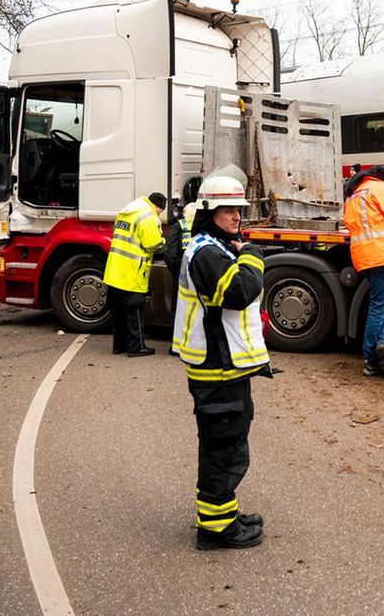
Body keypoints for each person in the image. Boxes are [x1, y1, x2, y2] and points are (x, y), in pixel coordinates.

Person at [171, 174, 270, 550]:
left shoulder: (215, 246)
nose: (236, 217)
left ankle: (223, 513)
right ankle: (215, 529)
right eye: (228, 210)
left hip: (225, 368)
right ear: (210, 211)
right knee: (223, 450)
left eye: (239, 210)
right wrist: (252, 255)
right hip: (217, 371)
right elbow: (239, 291)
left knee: (229, 445)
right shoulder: (207, 252)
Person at [343, 164, 384, 378]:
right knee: (379, 305)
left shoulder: (353, 196)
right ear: (383, 179)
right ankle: (370, 359)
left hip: (364, 257)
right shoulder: (378, 188)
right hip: (383, 254)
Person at [104, 191, 166, 357]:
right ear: (157, 206)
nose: (159, 213)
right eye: (161, 210)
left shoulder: (127, 212)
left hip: (115, 270)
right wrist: (163, 240)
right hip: (133, 271)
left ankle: (119, 345)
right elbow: (153, 244)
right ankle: (136, 347)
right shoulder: (148, 217)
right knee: (134, 310)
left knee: (117, 311)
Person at [164, 201, 197, 308]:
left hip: (181, 267)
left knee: (178, 300)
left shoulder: (178, 226)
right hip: (197, 267)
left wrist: (174, 270)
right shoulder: (200, 228)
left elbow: (170, 253)